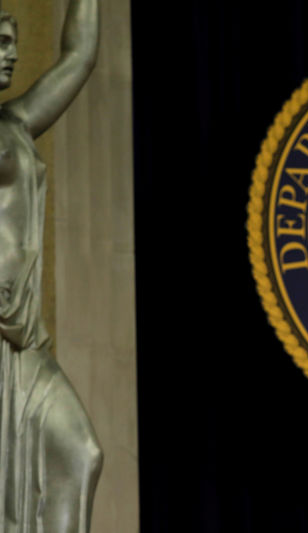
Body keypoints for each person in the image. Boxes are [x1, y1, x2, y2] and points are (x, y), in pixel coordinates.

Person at [0, 1, 102, 532]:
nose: (12, 52)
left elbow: (80, 55)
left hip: (24, 342)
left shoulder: (16, 123)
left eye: (13, 38)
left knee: (80, 454)